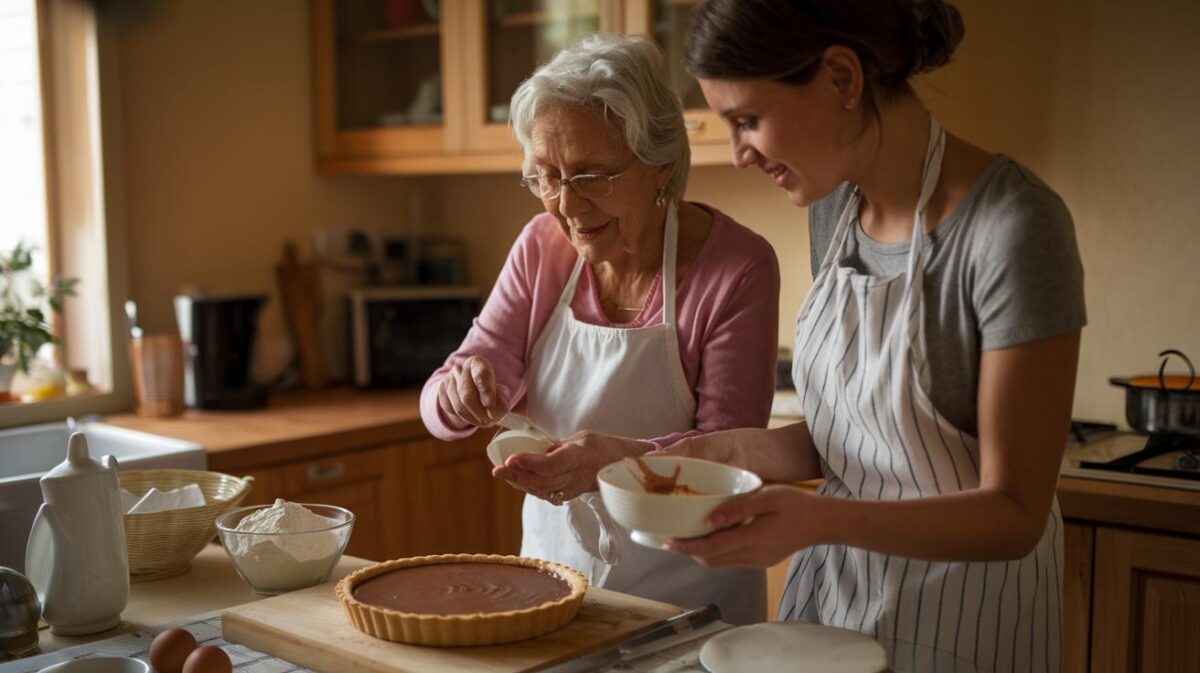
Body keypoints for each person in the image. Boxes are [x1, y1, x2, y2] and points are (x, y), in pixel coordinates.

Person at [663, 0, 1086, 669]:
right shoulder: (833, 205)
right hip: (830, 614)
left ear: (841, 79)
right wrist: (690, 456)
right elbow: (858, 439)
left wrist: (817, 521)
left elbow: (1015, 513)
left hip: (966, 625)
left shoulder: (1014, 226)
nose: (739, 153)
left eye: (748, 119)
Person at [419, 33, 780, 625]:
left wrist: (616, 465)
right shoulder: (541, 248)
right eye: (547, 176)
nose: (567, 204)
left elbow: (727, 459)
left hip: (692, 601)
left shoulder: (736, 267)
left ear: (660, 162)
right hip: (554, 589)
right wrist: (460, 396)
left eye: (591, 175)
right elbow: (447, 392)